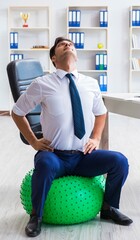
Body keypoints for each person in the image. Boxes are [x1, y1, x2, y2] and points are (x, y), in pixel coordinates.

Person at [12, 37, 133, 238]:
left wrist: (95, 138)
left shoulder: (91, 84)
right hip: (55, 155)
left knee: (119, 161)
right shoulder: (42, 83)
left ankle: (108, 208)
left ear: (76, 55)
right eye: (62, 45)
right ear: (54, 58)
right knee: (44, 165)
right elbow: (17, 112)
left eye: (71, 44)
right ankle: (36, 216)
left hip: (82, 156)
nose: (68, 45)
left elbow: (101, 112)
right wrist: (33, 141)